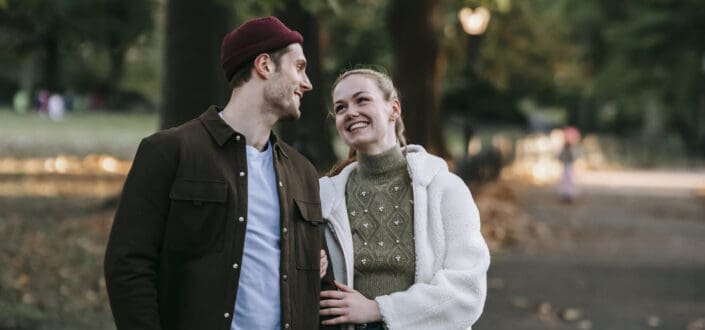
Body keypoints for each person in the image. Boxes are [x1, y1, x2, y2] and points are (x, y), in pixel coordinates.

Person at [104, 16, 332, 330]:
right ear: (265, 65)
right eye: (299, 67)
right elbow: (127, 266)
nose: (307, 83)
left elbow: (316, 280)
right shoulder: (169, 152)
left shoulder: (303, 173)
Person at [318, 68, 490, 330]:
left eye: (362, 100)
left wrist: (378, 309)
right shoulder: (323, 197)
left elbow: (467, 292)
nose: (350, 112)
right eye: (340, 108)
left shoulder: (445, 189)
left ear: (393, 109)